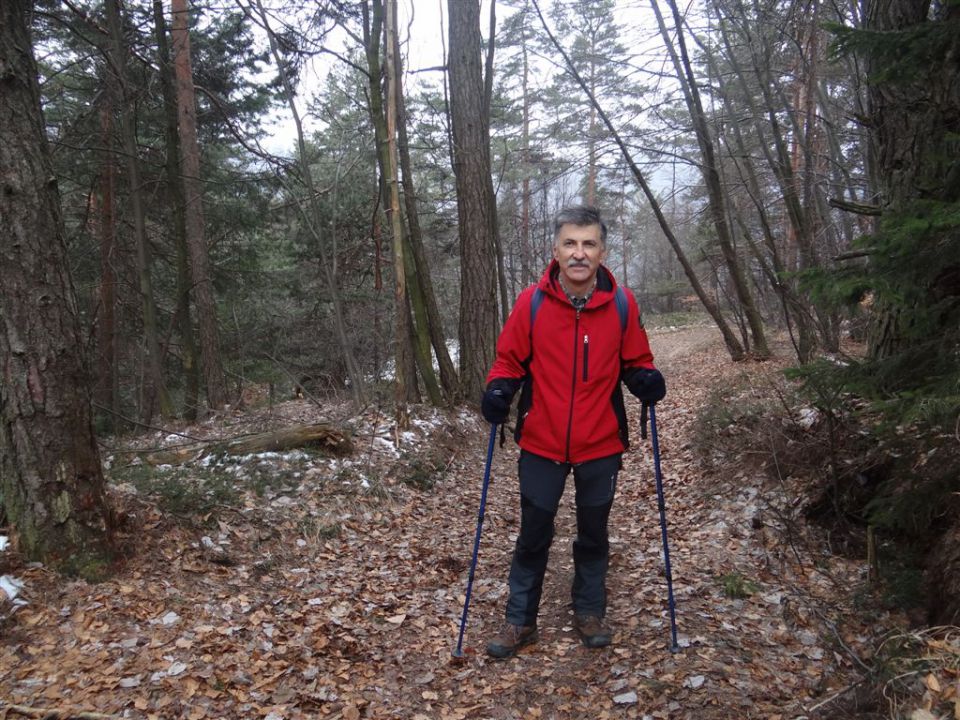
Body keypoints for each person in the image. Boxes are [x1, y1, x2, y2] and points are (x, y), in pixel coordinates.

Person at [480, 204, 666, 659]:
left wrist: (645, 379)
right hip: (542, 443)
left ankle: (589, 612)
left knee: (593, 533)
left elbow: (636, 360)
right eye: (570, 243)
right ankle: (520, 621)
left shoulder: (621, 304)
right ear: (556, 250)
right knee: (533, 534)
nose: (579, 253)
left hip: (600, 443)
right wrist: (499, 388)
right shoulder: (532, 302)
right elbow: (509, 360)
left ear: (602, 251)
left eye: (588, 244)